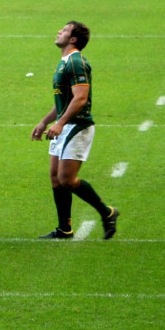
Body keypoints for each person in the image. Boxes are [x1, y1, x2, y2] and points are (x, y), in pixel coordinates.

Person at [30, 21, 119, 240]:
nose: (59, 31)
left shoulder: (77, 62)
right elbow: (64, 100)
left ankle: (107, 212)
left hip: (77, 126)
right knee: (55, 178)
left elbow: (80, 99)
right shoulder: (64, 62)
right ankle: (64, 229)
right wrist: (45, 122)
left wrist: (59, 124)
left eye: (64, 30)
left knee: (67, 179)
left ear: (73, 39)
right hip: (65, 124)